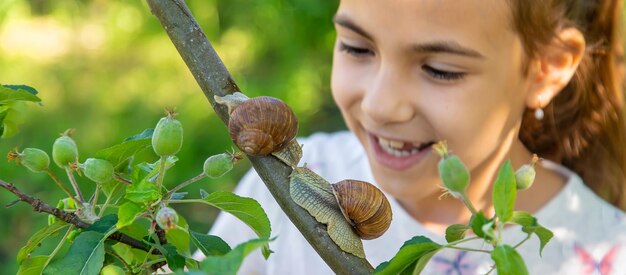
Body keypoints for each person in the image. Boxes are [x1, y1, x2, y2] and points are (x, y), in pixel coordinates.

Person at [201, 0, 626, 274]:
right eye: (356, 47)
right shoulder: (279, 185)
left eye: (441, 69)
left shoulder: (607, 254)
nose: (380, 106)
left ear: (547, 68)